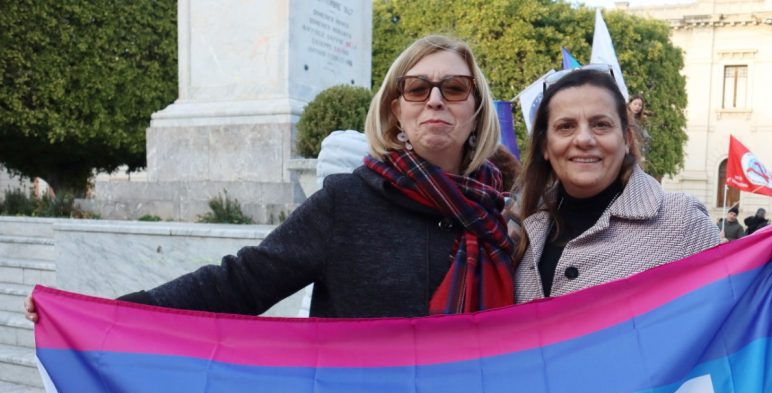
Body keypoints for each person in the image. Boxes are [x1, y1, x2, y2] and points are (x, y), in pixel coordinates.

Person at [26, 35, 514, 322]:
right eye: (417, 88)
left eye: (454, 88)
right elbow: (241, 281)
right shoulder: (347, 202)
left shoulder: (505, 215)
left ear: (475, 111)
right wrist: (112, 314)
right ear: (395, 112)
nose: (435, 99)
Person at [512, 67, 772, 305]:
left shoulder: (681, 222)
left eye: (601, 124)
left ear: (627, 140)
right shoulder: (521, 228)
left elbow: (732, 313)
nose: (584, 139)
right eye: (566, 126)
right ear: (545, 146)